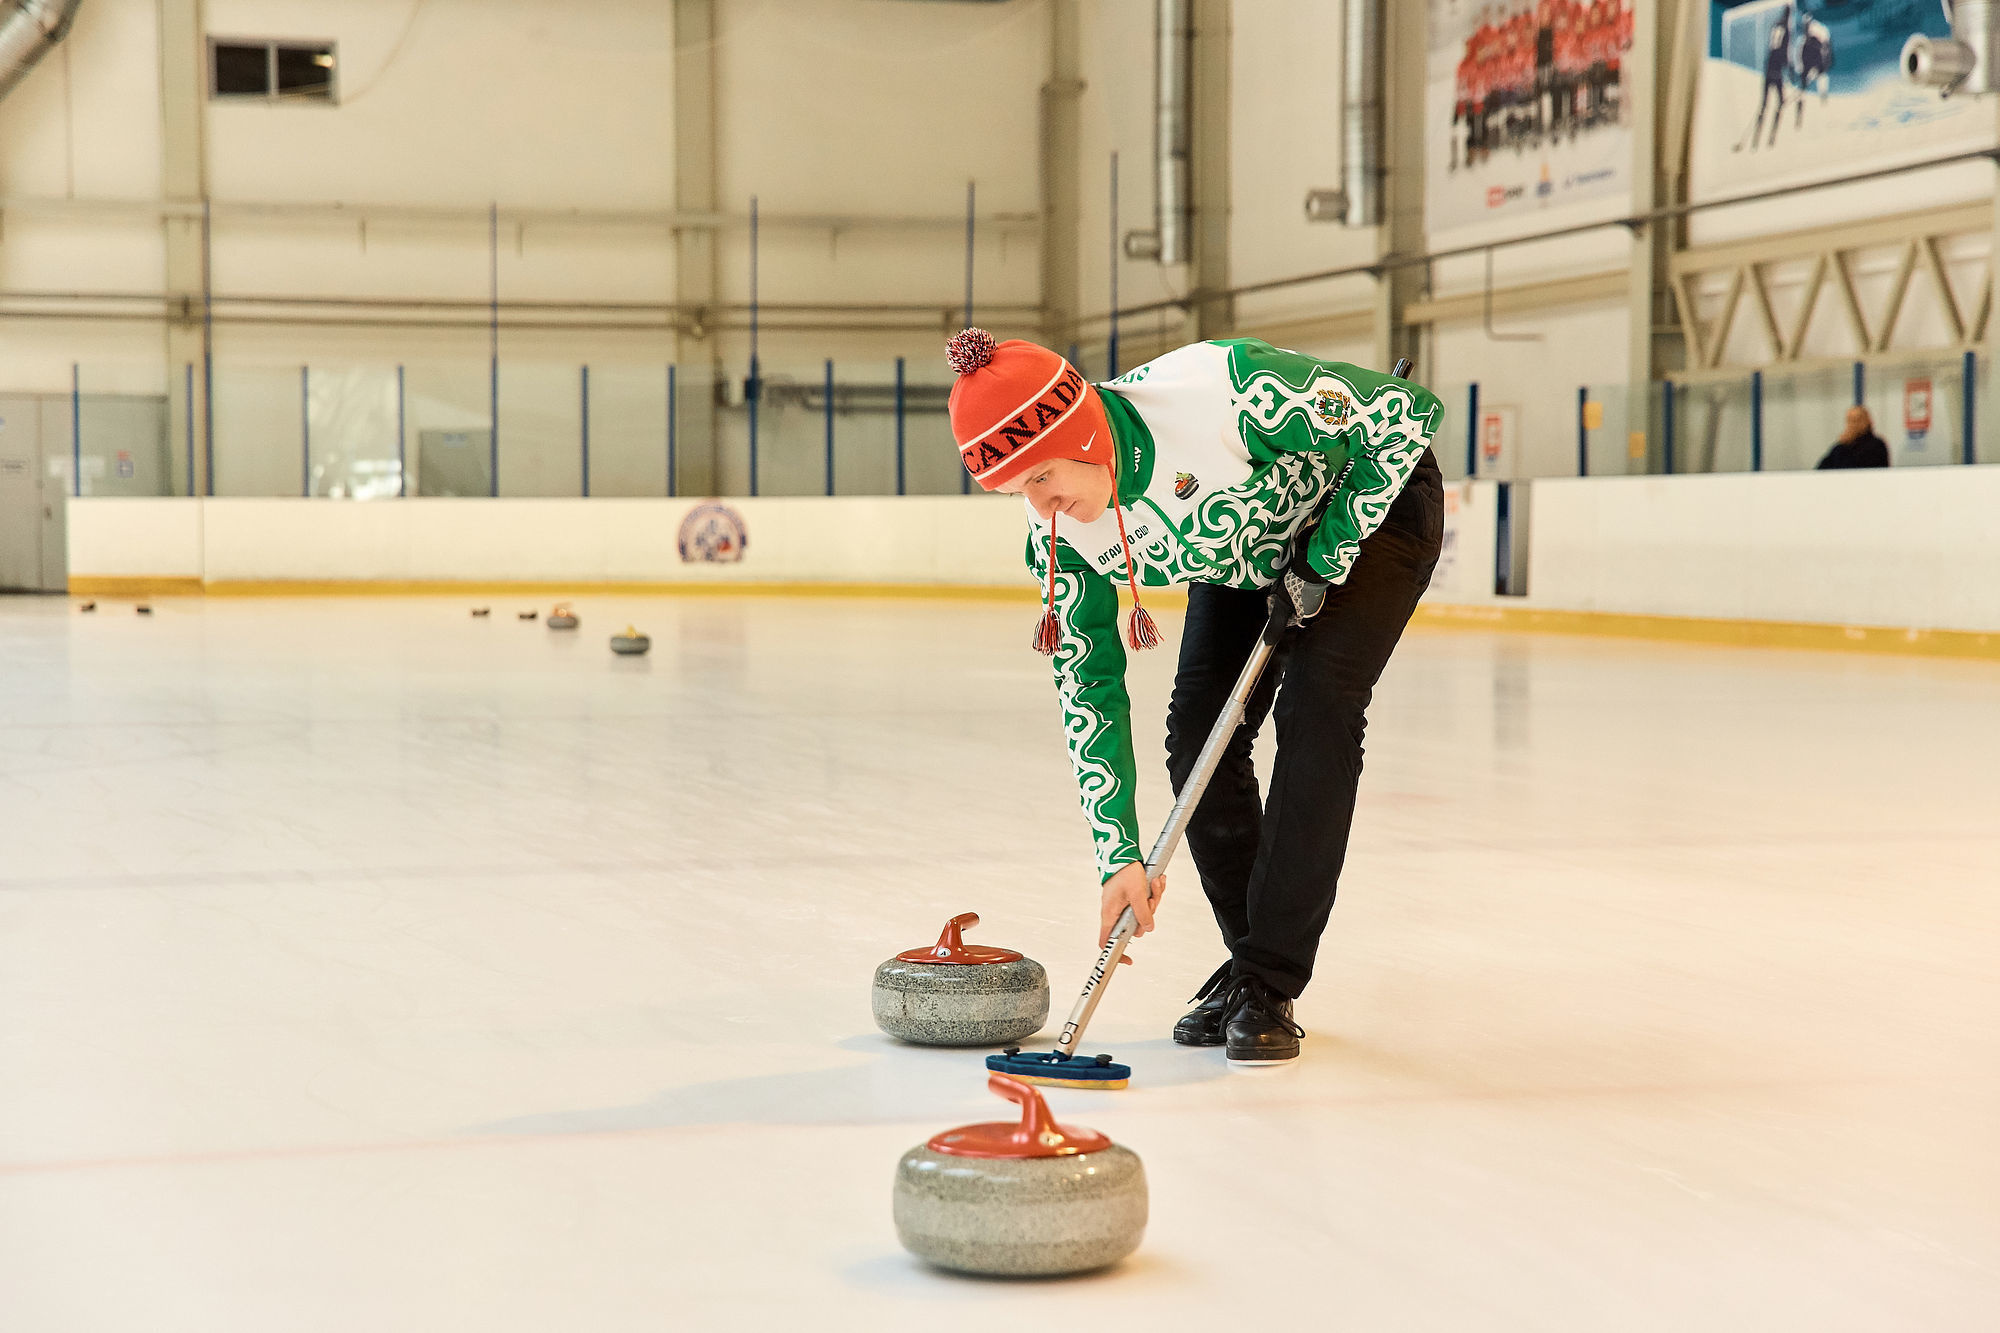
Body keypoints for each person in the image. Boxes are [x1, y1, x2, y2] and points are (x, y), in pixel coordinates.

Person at [944, 329, 1445, 1064]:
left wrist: (1328, 548)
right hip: (1249, 548)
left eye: (1044, 477)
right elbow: (1087, 685)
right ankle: (1252, 971)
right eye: (1019, 490)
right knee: (1197, 733)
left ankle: (1269, 975)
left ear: (1082, 432)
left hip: (1372, 509)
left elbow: (1405, 415)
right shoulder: (1056, 530)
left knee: (1318, 703)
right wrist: (1117, 854)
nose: (1043, 505)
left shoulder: (1221, 391)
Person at [1816, 405, 1889, 469]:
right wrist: (1844, 445)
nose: (1852, 425)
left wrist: (1845, 447)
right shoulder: (1840, 447)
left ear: (1867, 421)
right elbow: (1822, 468)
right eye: (1849, 421)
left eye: (1856, 420)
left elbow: (1853, 468)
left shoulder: (1876, 445)